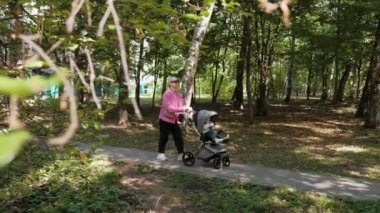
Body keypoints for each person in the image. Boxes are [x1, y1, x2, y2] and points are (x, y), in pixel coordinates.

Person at [157, 76, 191, 161]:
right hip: (165, 119)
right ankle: (160, 154)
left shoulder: (178, 94)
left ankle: (180, 154)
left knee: (178, 136)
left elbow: (181, 105)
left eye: (177, 82)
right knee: (164, 136)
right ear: (169, 83)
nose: (175, 83)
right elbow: (168, 107)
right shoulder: (167, 93)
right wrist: (181, 109)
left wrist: (187, 108)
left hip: (174, 119)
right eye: (173, 82)